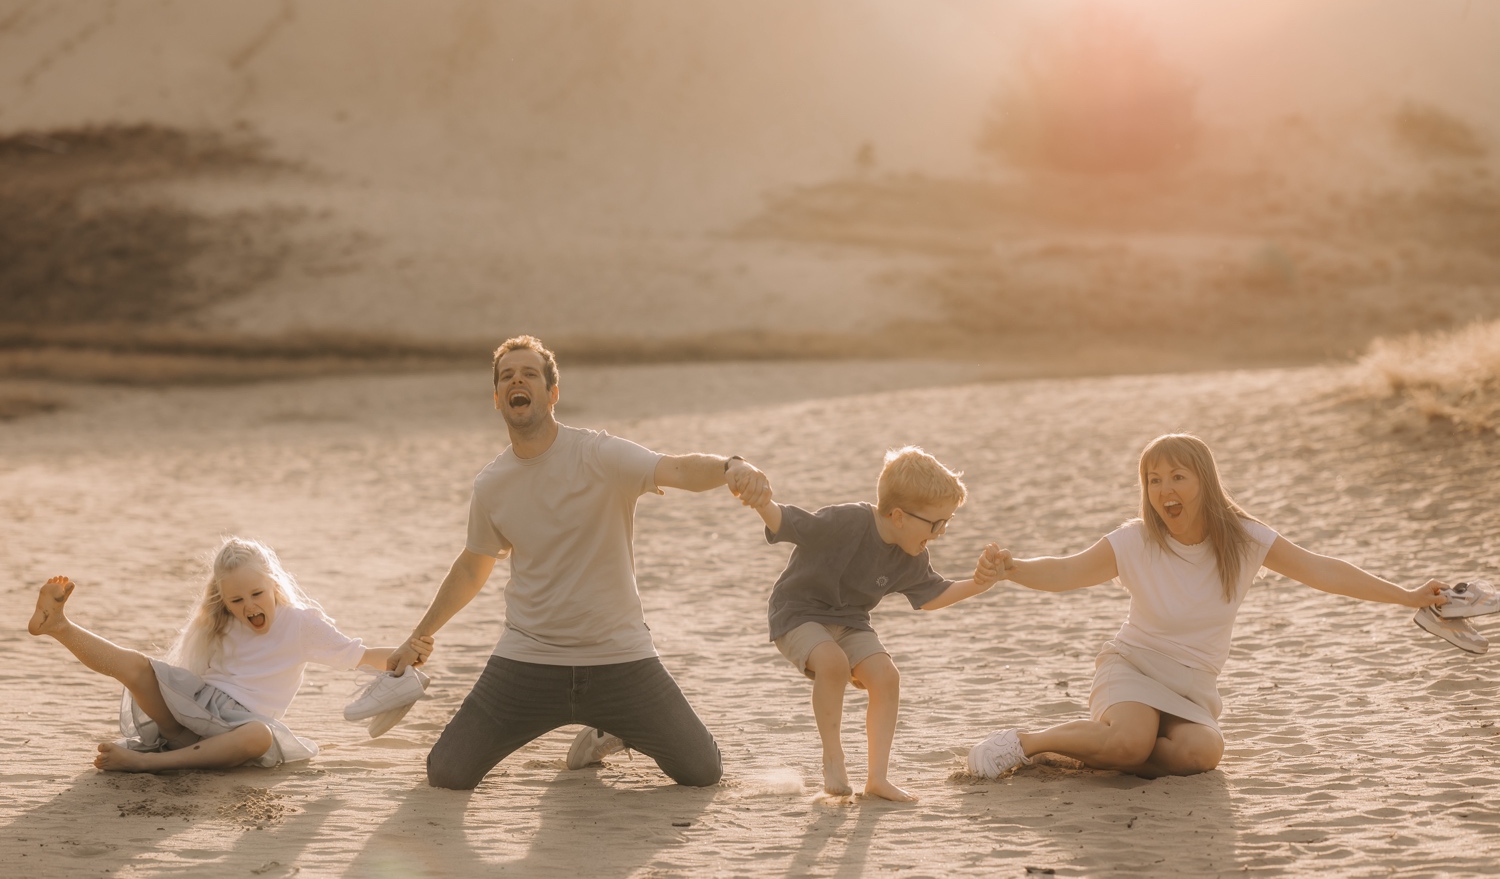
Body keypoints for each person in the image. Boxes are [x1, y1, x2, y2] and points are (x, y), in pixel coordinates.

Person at [390, 334, 771, 790]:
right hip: (528, 657)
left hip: (619, 655)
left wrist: (732, 466)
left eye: (530, 373)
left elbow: (677, 469)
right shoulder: (492, 484)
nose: (518, 380)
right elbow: (474, 565)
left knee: (702, 771)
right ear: (497, 399)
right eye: (507, 376)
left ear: (552, 393)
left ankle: (607, 730)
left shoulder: (599, 455)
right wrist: (420, 635)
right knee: (447, 772)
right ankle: (590, 720)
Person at [967, 432, 1447, 780]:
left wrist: (1406, 595)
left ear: (1206, 482)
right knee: (1132, 741)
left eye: (1178, 476)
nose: (1164, 491)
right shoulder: (1134, 540)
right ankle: (1025, 743)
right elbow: (1067, 571)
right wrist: (1013, 567)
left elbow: (1323, 569)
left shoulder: (1243, 540)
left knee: (1201, 755)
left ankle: (1103, 751)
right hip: (1133, 665)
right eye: (1154, 480)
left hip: (1193, 683)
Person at [27, 537, 427, 772]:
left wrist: (407, 652)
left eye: (256, 594)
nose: (249, 606)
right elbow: (190, 674)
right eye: (236, 599)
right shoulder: (218, 621)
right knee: (136, 666)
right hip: (193, 711)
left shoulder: (301, 624)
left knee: (260, 734)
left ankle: (148, 765)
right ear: (224, 598)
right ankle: (59, 626)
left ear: (273, 585)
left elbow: (361, 656)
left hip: (239, 728)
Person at [753, 446, 1000, 802]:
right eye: (936, 523)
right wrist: (761, 501)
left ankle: (877, 778)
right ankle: (833, 757)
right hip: (797, 612)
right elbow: (788, 522)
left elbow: (932, 596)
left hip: (850, 620)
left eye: (947, 522)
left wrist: (980, 584)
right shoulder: (847, 521)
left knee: (886, 676)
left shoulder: (911, 554)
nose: (942, 531)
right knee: (833, 664)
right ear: (899, 516)